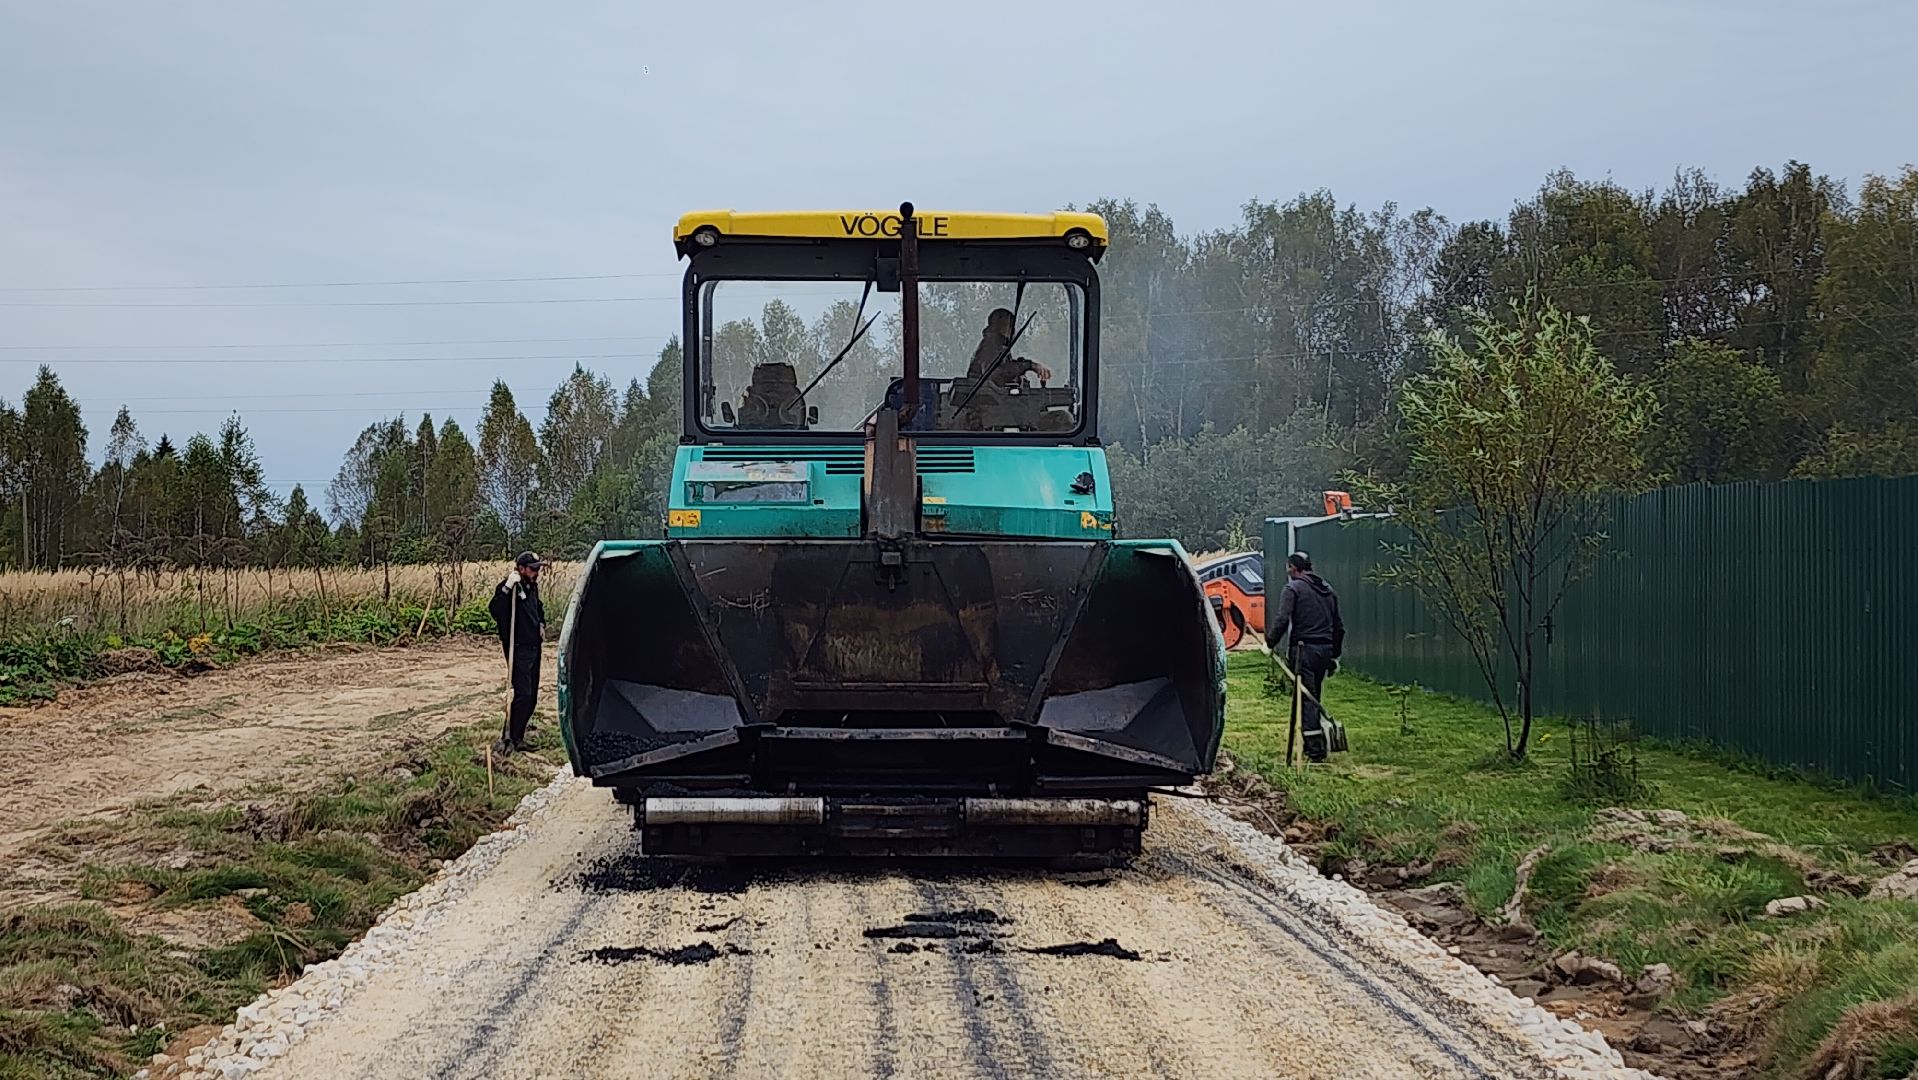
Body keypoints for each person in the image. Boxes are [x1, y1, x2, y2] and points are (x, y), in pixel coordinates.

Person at [1268, 551, 1343, 763]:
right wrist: (1334, 654)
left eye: (1288, 567)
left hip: (1304, 650)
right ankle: (1316, 740)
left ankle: (1315, 749)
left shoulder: (1293, 589)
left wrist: (1270, 643)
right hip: (1324, 650)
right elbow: (1339, 626)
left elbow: (1282, 619)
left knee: (1306, 699)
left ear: (1294, 567)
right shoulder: (1328, 590)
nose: (1287, 571)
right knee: (1314, 697)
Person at [489, 551, 547, 753]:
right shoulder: (510, 588)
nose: (537, 572)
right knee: (523, 694)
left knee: (532, 697)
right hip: (517, 648)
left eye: (538, 568)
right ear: (521, 569)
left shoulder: (532, 587)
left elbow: (538, 609)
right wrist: (506, 588)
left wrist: (541, 623)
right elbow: (495, 610)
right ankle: (509, 737)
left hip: (534, 647)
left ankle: (518, 736)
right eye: (533, 569)